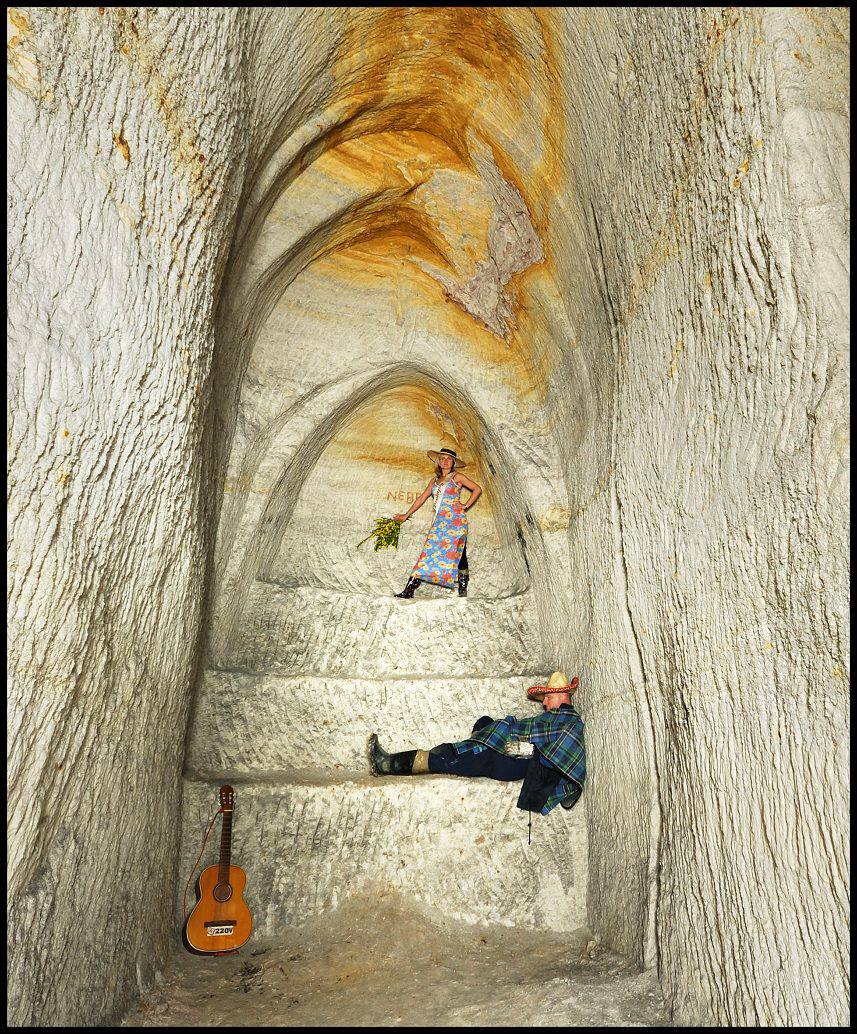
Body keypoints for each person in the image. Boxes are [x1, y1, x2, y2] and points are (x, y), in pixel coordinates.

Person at [367, 671, 585, 816]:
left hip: (511, 762)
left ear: (561, 695)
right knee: (484, 722)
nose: (544, 701)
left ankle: (386, 764)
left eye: (548, 697)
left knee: (447, 755)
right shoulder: (554, 719)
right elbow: (533, 734)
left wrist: (527, 749)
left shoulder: (567, 723)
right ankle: (475, 747)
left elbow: (560, 756)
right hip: (508, 752)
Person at [392, 444, 482, 599]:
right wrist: (406, 515)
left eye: (449, 459)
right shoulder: (434, 481)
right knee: (428, 552)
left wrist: (465, 505)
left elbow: (477, 489)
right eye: (442, 458)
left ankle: (463, 588)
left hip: (455, 521)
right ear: (438, 462)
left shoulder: (457, 477)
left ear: (453, 462)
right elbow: (422, 498)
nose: (445, 461)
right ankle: (409, 589)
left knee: (459, 554)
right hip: (440, 522)